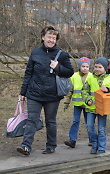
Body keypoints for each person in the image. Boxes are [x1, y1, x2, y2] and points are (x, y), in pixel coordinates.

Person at [17, 26, 74, 156]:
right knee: (32, 119)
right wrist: (23, 93)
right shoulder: (35, 52)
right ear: (43, 37)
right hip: (34, 93)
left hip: (52, 95)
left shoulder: (62, 54)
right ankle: (26, 146)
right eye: (49, 37)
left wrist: (58, 67)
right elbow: (28, 73)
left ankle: (51, 145)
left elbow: (70, 72)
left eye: (54, 38)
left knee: (50, 121)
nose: (51, 40)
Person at [83, 57, 110, 154]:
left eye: (100, 67)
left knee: (101, 129)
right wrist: (87, 100)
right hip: (91, 108)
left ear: (105, 68)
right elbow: (84, 91)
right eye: (95, 67)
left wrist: (108, 89)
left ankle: (101, 147)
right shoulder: (90, 77)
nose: (97, 69)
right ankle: (94, 144)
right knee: (89, 127)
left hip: (103, 108)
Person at [63, 57, 92, 148]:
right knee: (75, 121)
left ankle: (92, 139)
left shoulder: (92, 76)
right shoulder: (74, 76)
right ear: (79, 66)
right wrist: (67, 102)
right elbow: (70, 90)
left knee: (89, 122)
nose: (85, 68)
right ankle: (72, 140)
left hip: (88, 104)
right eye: (83, 66)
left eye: (87, 66)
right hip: (77, 104)